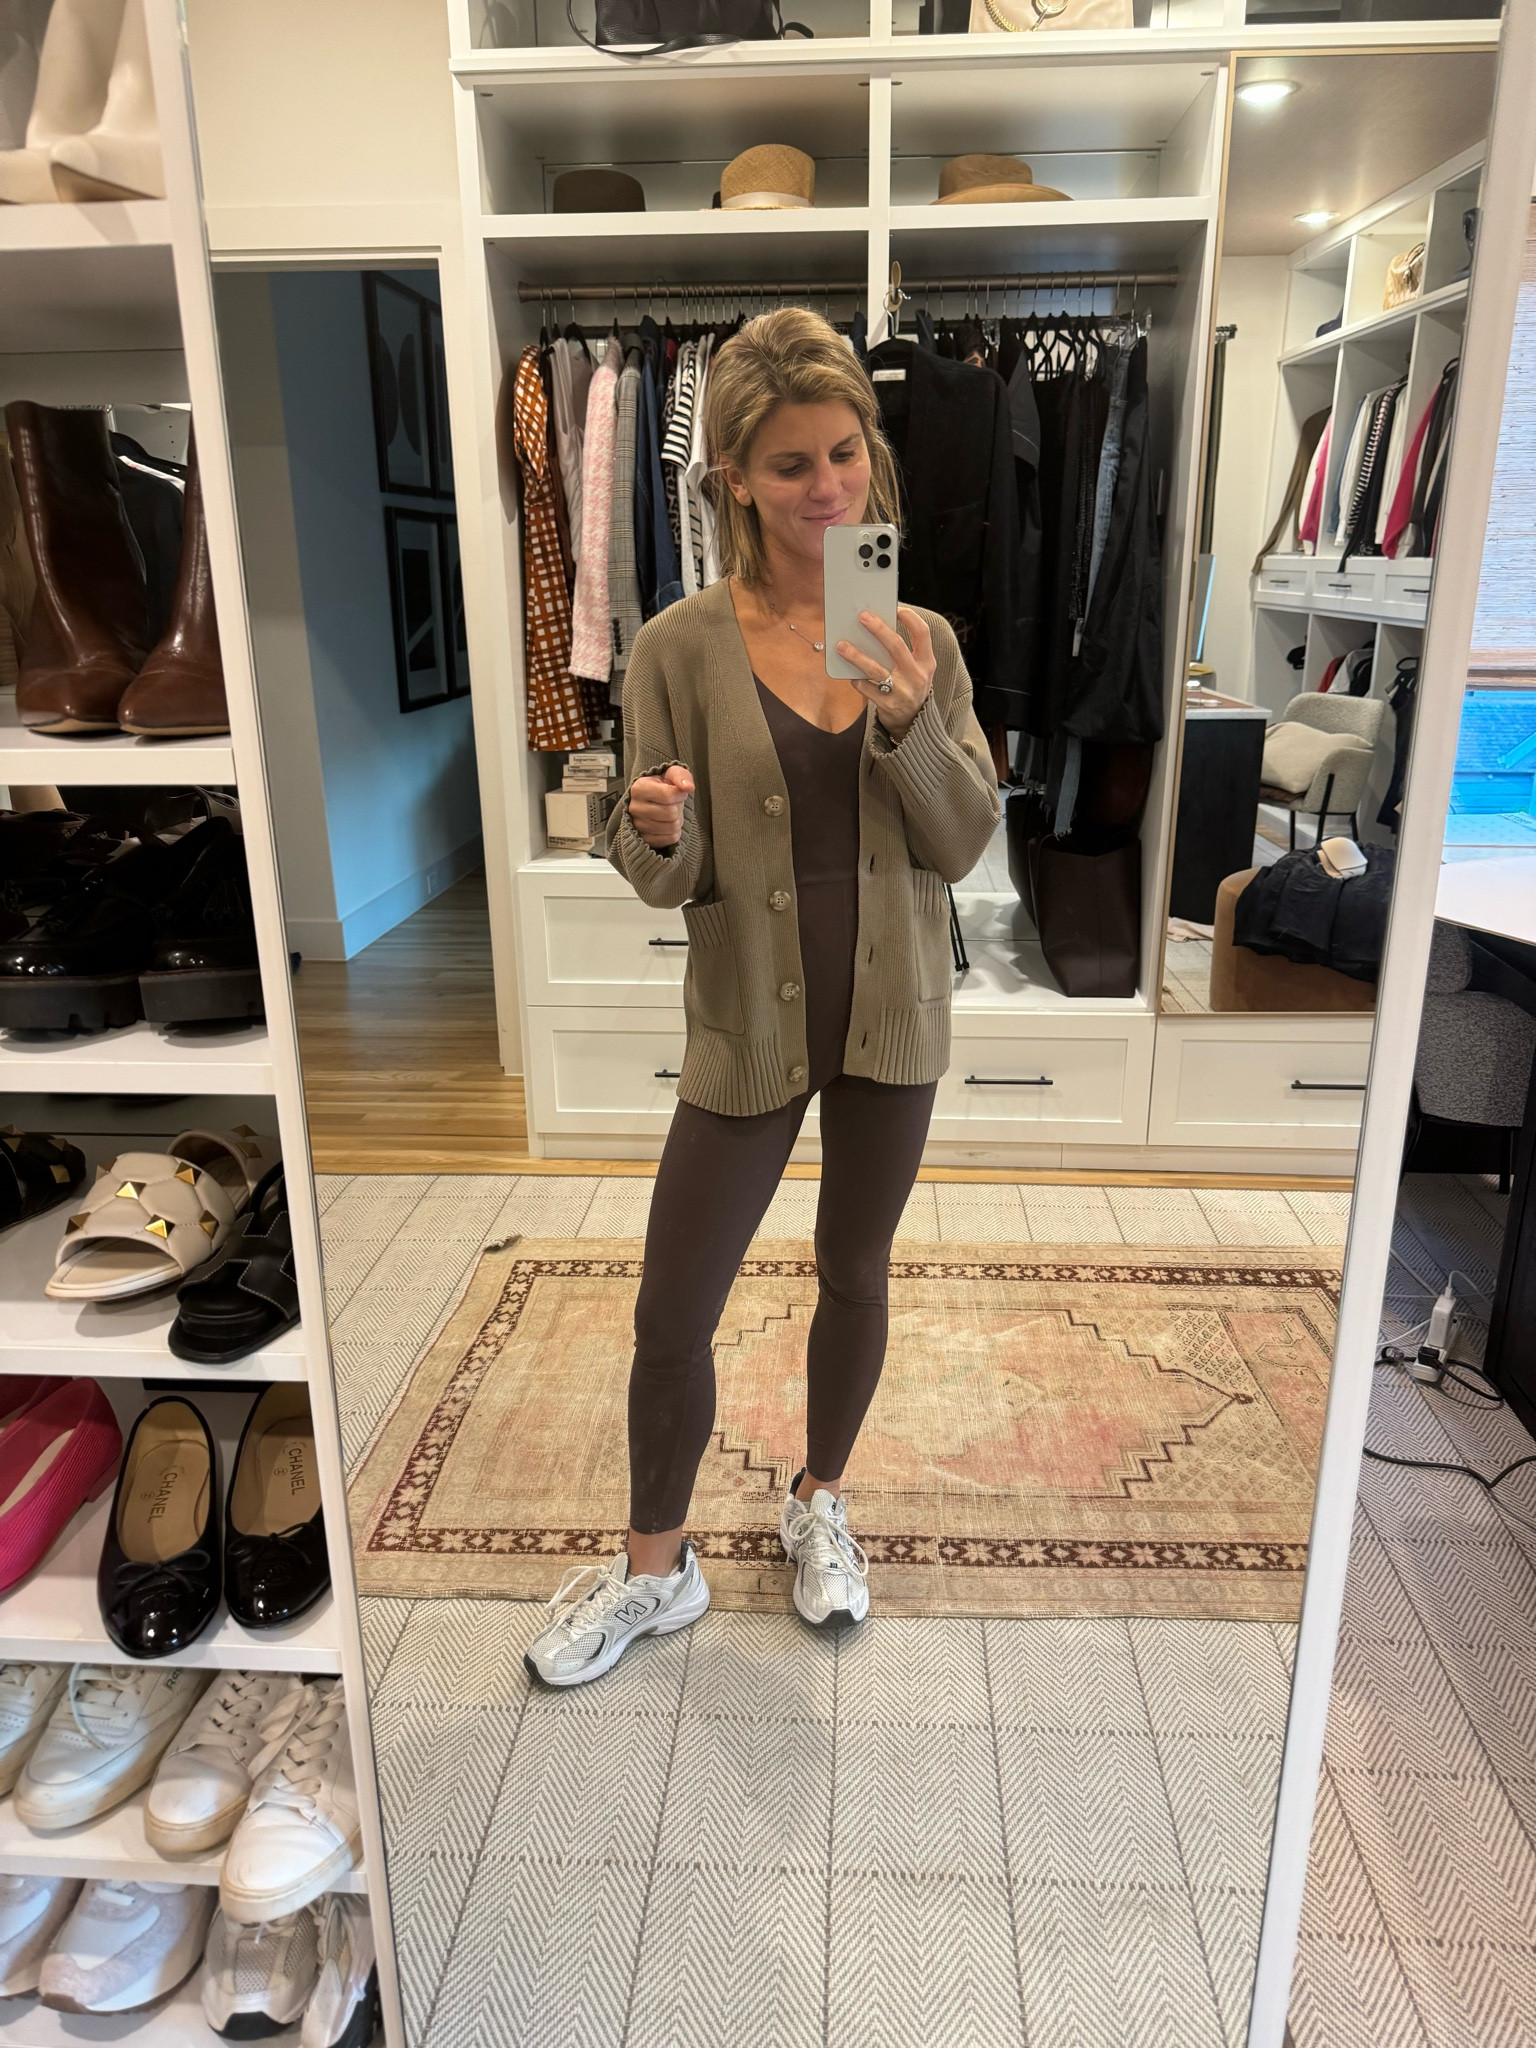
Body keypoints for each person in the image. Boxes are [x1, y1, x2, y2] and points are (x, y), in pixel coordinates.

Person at [525, 308, 1001, 1689]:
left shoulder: (916, 634)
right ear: (731, 475)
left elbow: (966, 842)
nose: (828, 487)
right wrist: (655, 828)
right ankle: (655, 1570)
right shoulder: (677, 650)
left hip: (895, 1017)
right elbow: (658, 871)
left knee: (856, 1270)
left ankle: (818, 1501)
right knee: (672, 1308)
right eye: (791, 464)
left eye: (845, 453)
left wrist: (911, 720)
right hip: (748, 1021)